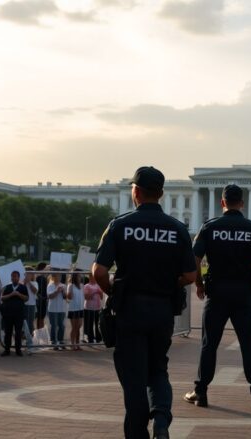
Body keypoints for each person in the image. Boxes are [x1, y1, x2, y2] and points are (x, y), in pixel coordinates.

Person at [93, 166, 197, 439]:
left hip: (130, 309)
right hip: (162, 309)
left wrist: (113, 292)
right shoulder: (178, 229)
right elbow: (190, 275)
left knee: (133, 376)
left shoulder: (120, 225)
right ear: (161, 194)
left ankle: (137, 432)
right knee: (158, 369)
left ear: (135, 192)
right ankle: (161, 419)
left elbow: (99, 272)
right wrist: (166, 283)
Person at [183, 184, 251, 410]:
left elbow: (194, 261)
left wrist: (200, 283)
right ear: (241, 203)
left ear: (222, 203)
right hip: (243, 293)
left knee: (209, 345)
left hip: (217, 293)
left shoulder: (210, 227)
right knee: (248, 345)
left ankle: (201, 392)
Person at [0, 270, 29, 356]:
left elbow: (26, 298)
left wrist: (19, 294)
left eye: (15, 276)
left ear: (19, 278)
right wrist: (11, 294)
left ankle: (18, 350)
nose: (14, 278)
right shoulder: (8, 287)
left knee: (18, 332)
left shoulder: (23, 287)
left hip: (19, 313)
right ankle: (7, 349)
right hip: (8, 313)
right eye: (12, 276)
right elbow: (3, 298)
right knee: (7, 332)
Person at [47, 273, 68, 350]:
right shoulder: (50, 285)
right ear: (53, 277)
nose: (59, 277)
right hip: (53, 309)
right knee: (54, 325)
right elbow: (50, 296)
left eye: (60, 276)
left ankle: (60, 340)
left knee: (61, 325)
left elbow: (65, 297)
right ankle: (54, 341)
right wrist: (57, 291)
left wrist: (64, 292)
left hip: (61, 309)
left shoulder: (63, 285)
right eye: (57, 275)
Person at [83, 272, 105, 344]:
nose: (94, 278)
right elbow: (86, 297)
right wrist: (93, 293)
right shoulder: (86, 286)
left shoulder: (98, 285)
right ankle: (90, 338)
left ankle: (98, 338)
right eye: (92, 276)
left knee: (97, 323)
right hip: (89, 308)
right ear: (90, 277)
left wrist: (100, 293)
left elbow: (101, 297)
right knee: (89, 324)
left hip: (97, 307)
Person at [66, 272, 85, 351]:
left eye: (80, 276)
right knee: (74, 327)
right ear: (75, 277)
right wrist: (69, 292)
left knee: (79, 326)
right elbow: (69, 297)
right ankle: (72, 343)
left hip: (80, 308)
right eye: (78, 276)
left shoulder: (82, 285)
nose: (80, 278)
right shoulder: (70, 285)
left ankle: (77, 343)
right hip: (73, 309)